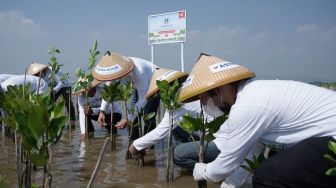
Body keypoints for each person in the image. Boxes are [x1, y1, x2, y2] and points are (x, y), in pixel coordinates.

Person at [175, 53, 336, 187]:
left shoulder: (247, 106)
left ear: (219, 89)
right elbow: (252, 153)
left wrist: (204, 170)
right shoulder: (252, 95)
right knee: (274, 161)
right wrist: (229, 185)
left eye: (204, 98)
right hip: (323, 138)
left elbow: (223, 168)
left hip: (332, 138)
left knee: (267, 175)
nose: (204, 105)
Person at [92, 51, 160, 141]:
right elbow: (108, 92)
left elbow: (143, 98)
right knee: (132, 113)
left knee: (148, 116)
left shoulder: (139, 70)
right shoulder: (113, 70)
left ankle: (149, 145)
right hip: (134, 85)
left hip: (153, 83)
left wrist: (128, 119)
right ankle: (133, 141)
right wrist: (102, 111)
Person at [28, 62, 76, 127]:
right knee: (49, 102)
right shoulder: (39, 77)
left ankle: (72, 122)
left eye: (37, 73)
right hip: (55, 86)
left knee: (68, 102)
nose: (37, 75)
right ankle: (50, 120)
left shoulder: (52, 70)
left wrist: (54, 90)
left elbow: (60, 83)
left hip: (65, 85)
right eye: (35, 74)